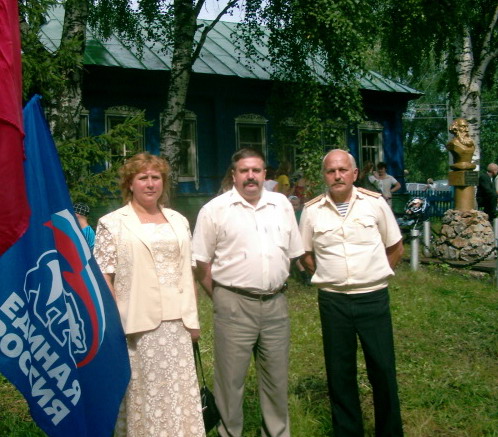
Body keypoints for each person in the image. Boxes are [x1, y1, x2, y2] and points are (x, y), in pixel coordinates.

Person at [192, 148, 304, 437]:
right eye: (244, 171)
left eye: (256, 170)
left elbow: (292, 253)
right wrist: (221, 296)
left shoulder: (281, 204)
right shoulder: (215, 210)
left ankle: (277, 433)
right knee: (230, 383)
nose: (251, 176)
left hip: (276, 304)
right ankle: (230, 433)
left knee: (276, 380)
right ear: (234, 175)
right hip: (233, 304)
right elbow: (201, 263)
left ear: (265, 174)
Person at [94, 152, 205, 437]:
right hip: (137, 325)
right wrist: (115, 319)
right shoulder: (112, 223)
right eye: (143, 177)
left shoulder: (179, 221)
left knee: (178, 392)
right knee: (146, 394)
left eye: (156, 177)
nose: (150, 183)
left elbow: (187, 270)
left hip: (178, 323)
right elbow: (103, 275)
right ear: (130, 183)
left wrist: (193, 319)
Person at [300, 149, 404, 437]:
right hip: (333, 301)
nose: (337, 175)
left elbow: (395, 247)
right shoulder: (312, 211)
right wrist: (331, 276)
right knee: (339, 372)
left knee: (382, 370)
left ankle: (390, 432)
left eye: (343, 170)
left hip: (372, 297)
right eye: (331, 171)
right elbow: (305, 255)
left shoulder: (375, 204)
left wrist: (373, 273)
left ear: (355, 174)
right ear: (324, 176)